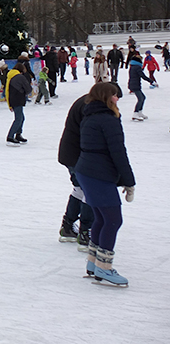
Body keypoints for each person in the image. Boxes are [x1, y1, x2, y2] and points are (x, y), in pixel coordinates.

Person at [74, 82, 135, 286]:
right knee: (113, 220)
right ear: (106, 97)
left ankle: (93, 263)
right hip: (97, 174)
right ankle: (104, 267)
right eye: (115, 95)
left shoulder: (90, 115)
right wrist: (129, 181)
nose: (117, 99)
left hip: (87, 171)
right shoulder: (108, 120)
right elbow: (118, 152)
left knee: (101, 218)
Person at [57, 93, 94, 250]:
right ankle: (85, 232)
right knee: (88, 191)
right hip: (77, 155)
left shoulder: (84, 102)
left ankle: (68, 226)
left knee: (79, 189)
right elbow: (88, 134)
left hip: (70, 153)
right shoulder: (88, 106)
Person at [5, 62, 31, 146]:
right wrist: (24, 92)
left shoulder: (10, 76)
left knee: (21, 118)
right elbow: (28, 89)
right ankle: (10, 136)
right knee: (18, 118)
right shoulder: (20, 77)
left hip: (13, 99)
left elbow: (7, 90)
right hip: (18, 99)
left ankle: (18, 134)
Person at [128, 52, 151, 121]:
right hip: (135, 85)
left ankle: (140, 112)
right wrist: (151, 81)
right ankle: (135, 113)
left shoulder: (132, 66)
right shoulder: (137, 67)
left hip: (133, 84)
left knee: (143, 98)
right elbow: (142, 76)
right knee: (141, 99)